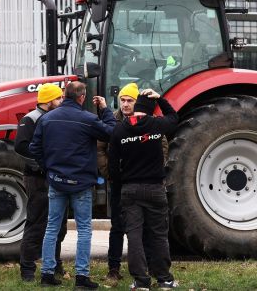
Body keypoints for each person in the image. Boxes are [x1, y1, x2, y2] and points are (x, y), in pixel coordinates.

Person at [29, 81, 116, 289]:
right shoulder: (88, 119)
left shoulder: (47, 119)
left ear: (64, 95)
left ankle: (47, 275)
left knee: (51, 228)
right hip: (81, 183)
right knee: (84, 229)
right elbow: (112, 132)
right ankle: (82, 277)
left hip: (56, 181)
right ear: (82, 97)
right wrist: (104, 109)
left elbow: (34, 148)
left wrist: (48, 169)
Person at [109, 89, 179, 290]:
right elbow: (174, 118)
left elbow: (113, 165)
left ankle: (140, 281)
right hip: (155, 188)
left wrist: (120, 182)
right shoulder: (156, 125)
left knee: (134, 236)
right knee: (158, 235)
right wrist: (161, 99)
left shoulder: (119, 130)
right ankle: (164, 279)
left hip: (130, 190)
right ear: (150, 110)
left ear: (136, 107)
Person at [14, 83, 66, 282]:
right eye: (59, 98)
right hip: (37, 179)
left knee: (58, 225)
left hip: (53, 178)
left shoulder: (52, 117)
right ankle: (27, 271)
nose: (62, 101)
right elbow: (20, 147)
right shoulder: (30, 119)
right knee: (37, 224)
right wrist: (43, 165)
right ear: (49, 101)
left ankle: (55, 264)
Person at [96, 82, 138, 283]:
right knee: (117, 226)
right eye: (123, 100)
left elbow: (162, 146)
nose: (125, 104)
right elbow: (99, 149)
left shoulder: (146, 121)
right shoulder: (112, 121)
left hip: (139, 181)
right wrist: (109, 173)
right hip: (118, 182)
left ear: (136, 102)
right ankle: (113, 268)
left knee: (138, 227)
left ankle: (139, 268)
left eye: (130, 100)